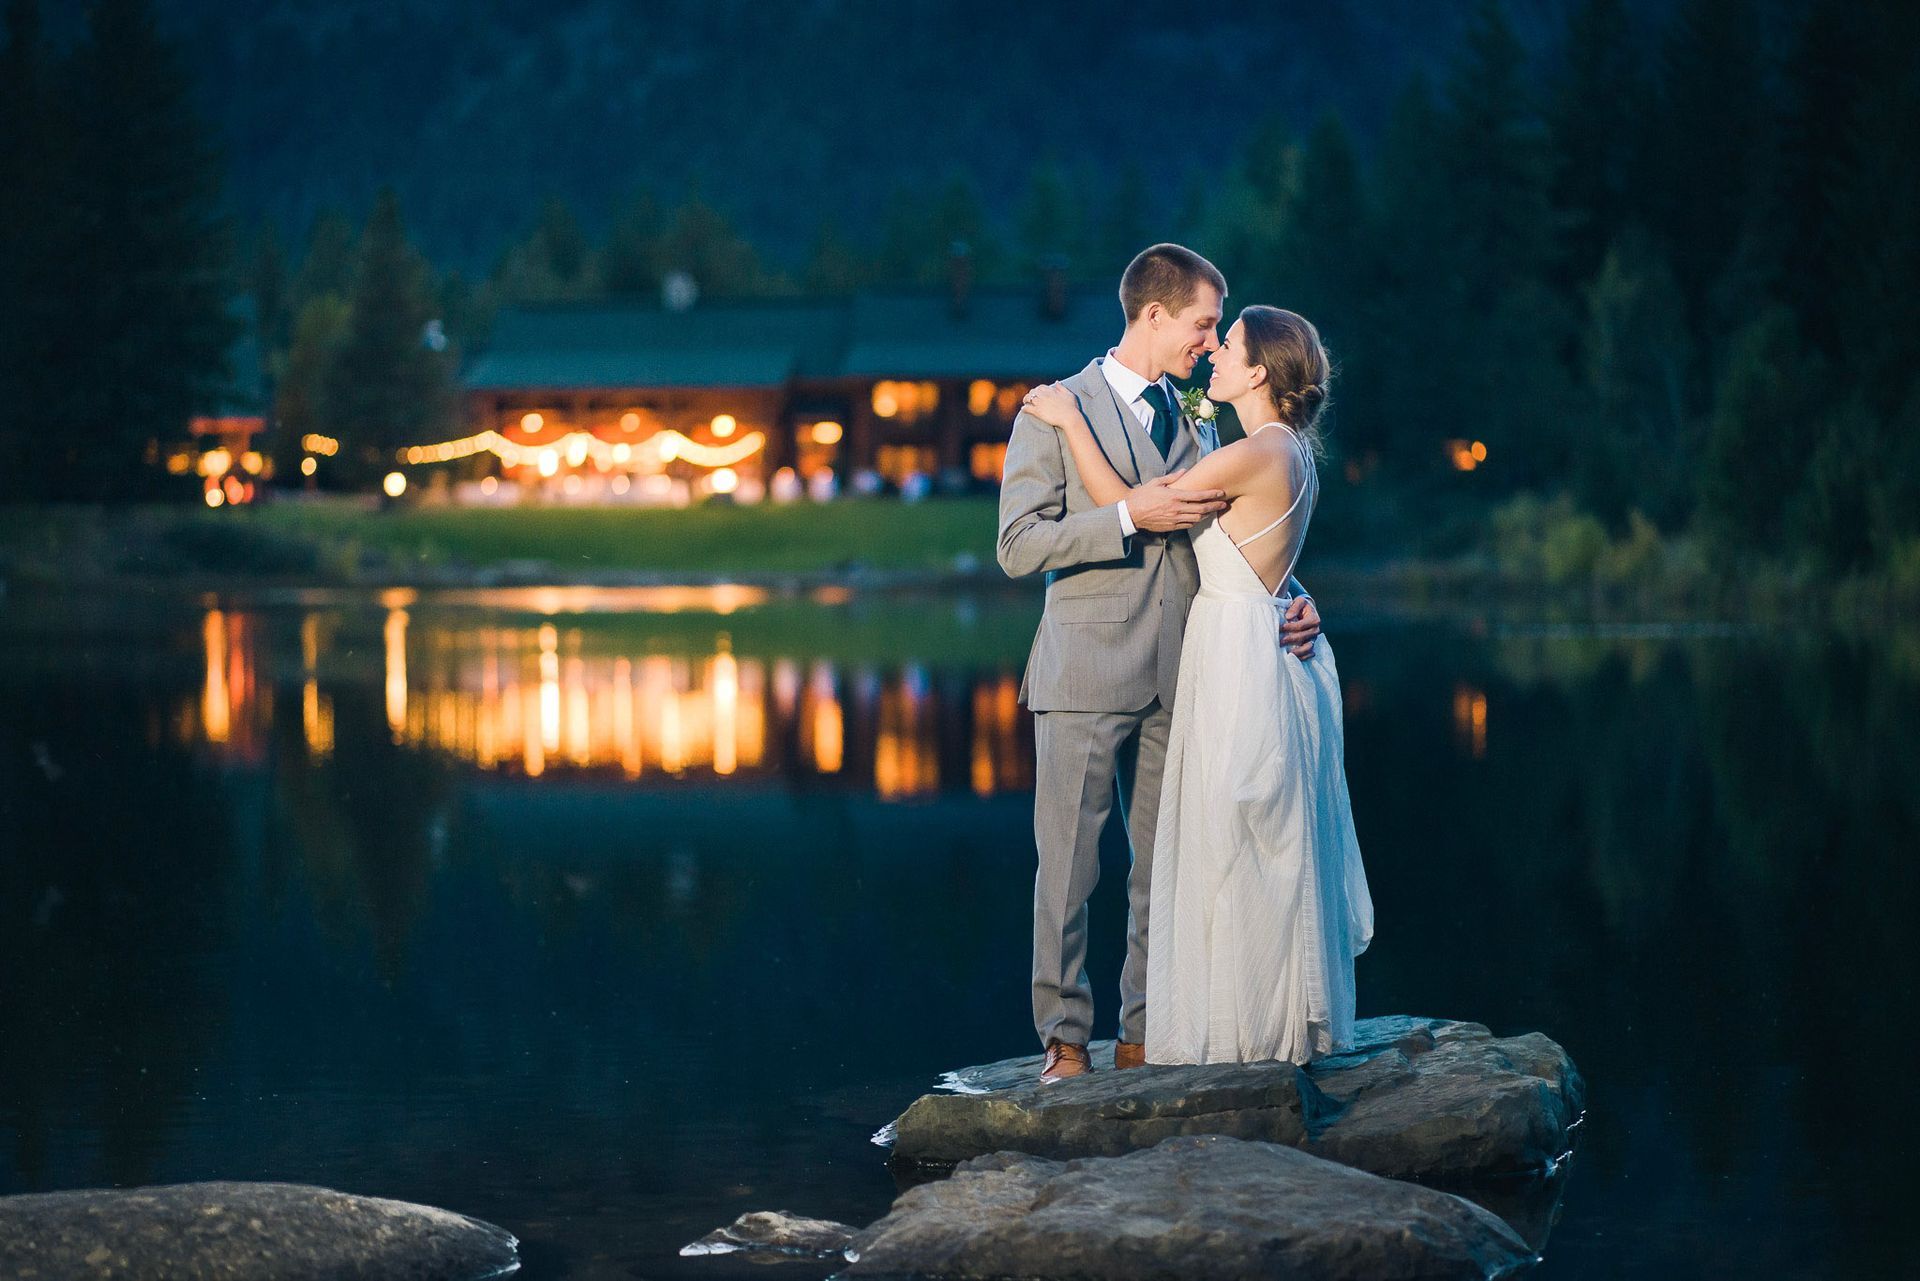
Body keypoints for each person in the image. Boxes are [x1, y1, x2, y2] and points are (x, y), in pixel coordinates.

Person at [995, 244, 1324, 1083]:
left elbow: (1237, 528)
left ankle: (1144, 1033)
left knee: (1164, 867)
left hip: (1193, 671)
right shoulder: (1052, 410)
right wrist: (1120, 520)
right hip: (1083, 668)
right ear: (1153, 316)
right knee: (1067, 867)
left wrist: (1292, 596)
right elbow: (1017, 544)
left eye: (1220, 331)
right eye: (1203, 324)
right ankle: (1066, 1040)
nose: (1211, 344)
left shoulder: (1206, 417)